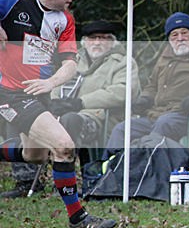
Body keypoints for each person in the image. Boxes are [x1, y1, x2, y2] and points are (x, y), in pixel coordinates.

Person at [0, 0, 116, 228]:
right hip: (9, 91)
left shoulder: (65, 20)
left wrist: (49, 83)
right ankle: (79, 219)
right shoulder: (12, 0)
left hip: (38, 92)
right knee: (64, 146)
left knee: (35, 155)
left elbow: (70, 64)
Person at [1, 19, 141, 198]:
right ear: (84, 41)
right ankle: (26, 180)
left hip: (95, 116)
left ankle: (68, 184)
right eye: (92, 38)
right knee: (19, 119)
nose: (97, 42)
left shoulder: (122, 62)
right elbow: (53, 83)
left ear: (113, 42)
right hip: (58, 111)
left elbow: (123, 91)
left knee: (71, 120)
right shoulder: (71, 60)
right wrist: (51, 103)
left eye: (103, 38)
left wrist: (81, 102)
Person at [104, 12, 189, 152]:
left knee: (163, 125)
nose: (180, 38)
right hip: (157, 115)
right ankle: (112, 169)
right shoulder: (166, 55)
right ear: (168, 38)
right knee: (122, 129)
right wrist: (145, 98)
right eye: (174, 34)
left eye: (184, 33)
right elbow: (153, 85)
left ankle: (149, 169)